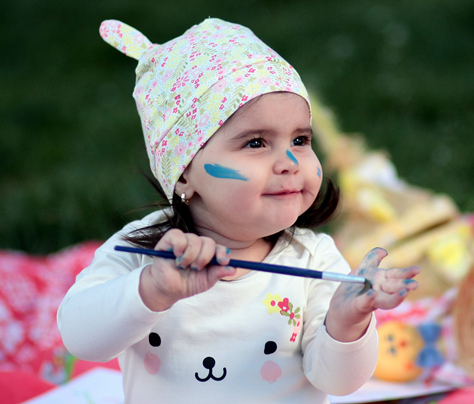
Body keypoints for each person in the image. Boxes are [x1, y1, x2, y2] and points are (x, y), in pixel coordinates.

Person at [57, 18, 419, 404]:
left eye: (300, 139)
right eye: (256, 143)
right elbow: (81, 338)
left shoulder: (313, 261)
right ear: (183, 173)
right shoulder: (145, 251)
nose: (289, 161)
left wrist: (347, 323)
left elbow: (339, 381)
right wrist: (153, 289)